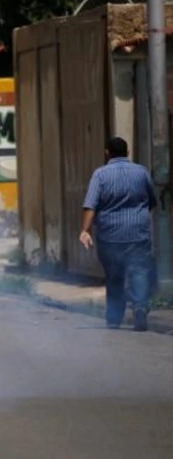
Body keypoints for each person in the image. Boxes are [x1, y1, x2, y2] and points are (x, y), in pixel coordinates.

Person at [80, 137, 156, 332]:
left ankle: (114, 318)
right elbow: (152, 199)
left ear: (107, 153)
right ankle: (139, 307)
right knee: (139, 270)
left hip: (110, 235)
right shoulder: (141, 171)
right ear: (127, 152)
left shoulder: (100, 175)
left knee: (114, 276)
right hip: (138, 232)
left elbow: (91, 205)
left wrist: (85, 230)